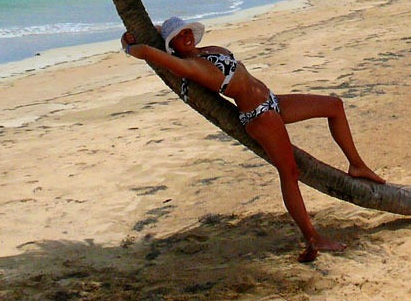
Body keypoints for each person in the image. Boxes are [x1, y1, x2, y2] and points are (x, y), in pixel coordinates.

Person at [121, 15, 385, 262]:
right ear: (172, 46)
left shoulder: (205, 51)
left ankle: (357, 164)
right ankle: (312, 238)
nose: (187, 34)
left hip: (273, 101)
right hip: (259, 115)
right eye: (180, 35)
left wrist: (153, 29)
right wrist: (127, 44)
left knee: (334, 106)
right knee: (289, 172)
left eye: (188, 30)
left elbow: (155, 31)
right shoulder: (188, 66)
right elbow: (145, 51)